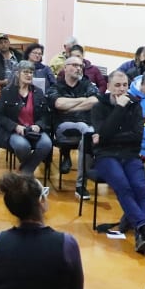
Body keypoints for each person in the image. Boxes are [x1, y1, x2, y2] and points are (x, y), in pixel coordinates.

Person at [91, 70, 145, 254]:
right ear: (109, 86)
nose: (122, 89)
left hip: (130, 154)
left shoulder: (135, 105)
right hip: (106, 156)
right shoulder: (99, 105)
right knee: (123, 185)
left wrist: (109, 136)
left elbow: (137, 136)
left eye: (124, 85)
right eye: (117, 85)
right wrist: (119, 108)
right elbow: (104, 135)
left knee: (139, 186)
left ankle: (142, 235)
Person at [48, 54, 100, 196]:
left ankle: (80, 185)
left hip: (84, 127)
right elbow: (58, 103)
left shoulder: (86, 84)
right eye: (75, 65)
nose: (79, 68)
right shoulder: (56, 87)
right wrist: (84, 100)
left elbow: (95, 101)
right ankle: (81, 184)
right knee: (87, 131)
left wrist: (69, 107)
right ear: (65, 68)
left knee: (86, 133)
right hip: (63, 128)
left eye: (81, 66)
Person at [0, 60, 52, 176]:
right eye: (25, 72)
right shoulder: (7, 92)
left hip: (34, 130)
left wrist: (39, 125)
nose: (29, 75)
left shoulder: (38, 92)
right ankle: (28, 173)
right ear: (17, 74)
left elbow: (46, 115)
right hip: (14, 131)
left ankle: (25, 172)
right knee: (22, 146)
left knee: (46, 144)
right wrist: (15, 126)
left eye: (31, 72)